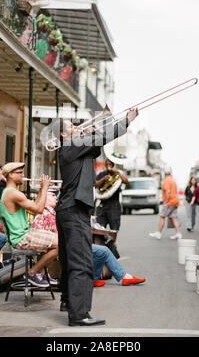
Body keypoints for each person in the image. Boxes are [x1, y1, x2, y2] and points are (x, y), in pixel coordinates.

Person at [53, 108, 139, 327]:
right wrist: (126, 120)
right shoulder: (72, 145)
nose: (76, 126)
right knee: (82, 263)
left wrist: (91, 133)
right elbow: (103, 137)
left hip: (68, 210)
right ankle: (79, 314)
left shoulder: (74, 148)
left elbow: (96, 150)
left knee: (67, 259)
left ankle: (67, 302)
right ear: (63, 135)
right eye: (71, 126)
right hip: (74, 211)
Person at [34, 191, 146, 289]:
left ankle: (94, 278)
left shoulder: (53, 213)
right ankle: (123, 277)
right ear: (44, 198)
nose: (56, 197)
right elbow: (45, 237)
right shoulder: (45, 215)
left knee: (102, 251)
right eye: (52, 195)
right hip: (65, 246)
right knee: (103, 251)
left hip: (69, 243)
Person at [0, 162, 58, 288]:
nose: (23, 175)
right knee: (61, 244)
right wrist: (45, 188)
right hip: (22, 238)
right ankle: (32, 273)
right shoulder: (13, 193)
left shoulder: (11, 192)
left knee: (57, 241)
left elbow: (33, 209)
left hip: (23, 235)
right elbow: (39, 210)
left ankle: (41, 274)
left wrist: (42, 189)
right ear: (11, 175)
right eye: (19, 172)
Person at [95, 159, 128, 231]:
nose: (108, 166)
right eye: (107, 164)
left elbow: (126, 181)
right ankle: (100, 242)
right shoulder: (101, 174)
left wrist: (118, 172)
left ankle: (112, 242)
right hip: (102, 203)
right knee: (99, 227)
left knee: (114, 228)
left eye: (110, 164)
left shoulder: (117, 174)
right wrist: (103, 179)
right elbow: (95, 185)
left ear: (113, 165)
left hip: (114, 204)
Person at [149, 167, 182, 240]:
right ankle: (178, 233)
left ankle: (158, 233)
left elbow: (168, 191)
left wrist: (165, 202)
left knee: (162, 217)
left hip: (170, 202)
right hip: (175, 201)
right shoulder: (173, 181)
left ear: (164, 173)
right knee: (174, 218)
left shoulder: (166, 180)